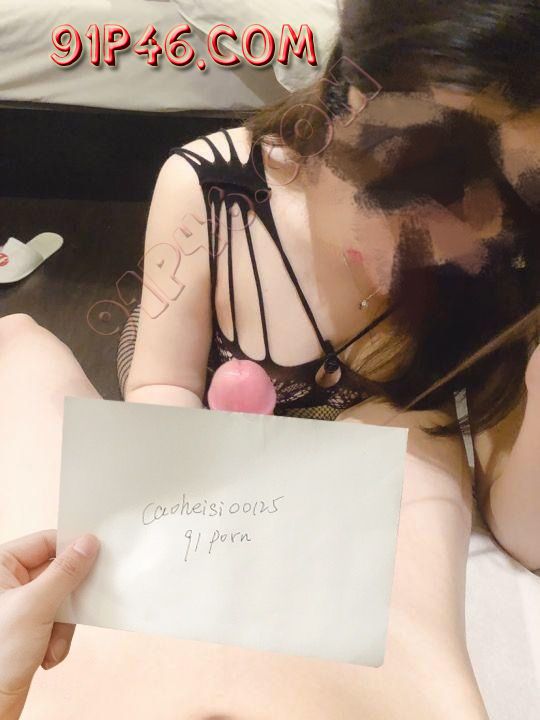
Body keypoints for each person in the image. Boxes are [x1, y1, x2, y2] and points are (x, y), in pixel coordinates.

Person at [0, 0, 538, 718]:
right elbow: (162, 383)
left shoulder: (497, 269)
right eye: (408, 180)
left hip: (373, 436)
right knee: (25, 353)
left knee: (407, 442)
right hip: (208, 394)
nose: (441, 240)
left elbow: (523, 531)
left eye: (505, 201)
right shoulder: (210, 187)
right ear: (344, 103)